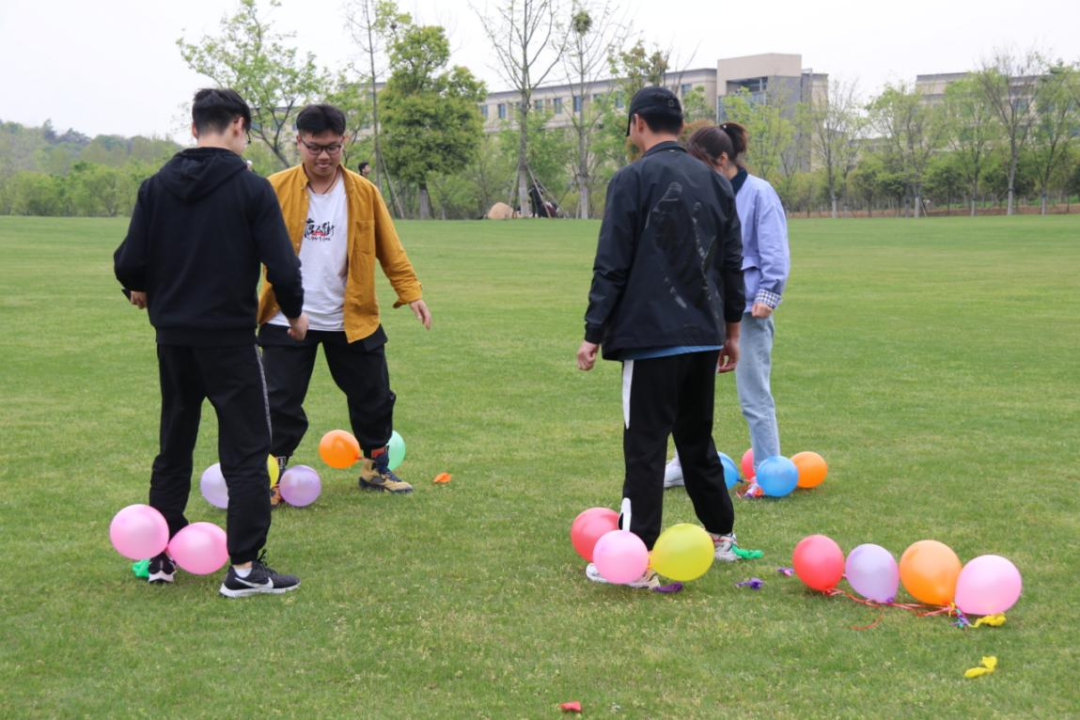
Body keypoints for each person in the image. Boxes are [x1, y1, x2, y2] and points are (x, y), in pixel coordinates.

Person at [114, 88, 308, 598]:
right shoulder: (251, 190)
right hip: (228, 341)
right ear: (238, 125)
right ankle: (244, 569)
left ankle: (161, 555)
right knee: (246, 452)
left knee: (175, 443)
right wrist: (294, 313)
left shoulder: (156, 186)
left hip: (173, 340)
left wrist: (138, 286)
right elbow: (282, 266)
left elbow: (129, 261)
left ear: (194, 127)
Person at [576, 87, 745, 588]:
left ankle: (636, 553)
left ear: (637, 123)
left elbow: (612, 261)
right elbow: (731, 264)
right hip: (703, 338)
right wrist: (731, 332)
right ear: (680, 124)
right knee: (696, 439)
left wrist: (592, 332)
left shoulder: (631, 179)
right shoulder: (716, 181)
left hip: (653, 340)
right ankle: (721, 534)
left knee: (645, 446)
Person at [258, 104, 431, 498]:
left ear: (345, 142)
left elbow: (390, 247)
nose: (324, 156)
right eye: (315, 147)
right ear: (298, 142)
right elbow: (244, 247)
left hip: (352, 316)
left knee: (374, 397)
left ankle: (376, 469)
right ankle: (270, 477)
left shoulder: (364, 192)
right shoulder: (273, 189)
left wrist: (411, 293)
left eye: (333, 147)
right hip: (286, 317)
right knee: (279, 403)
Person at [670, 124, 789, 495]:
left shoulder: (759, 193)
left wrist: (768, 295)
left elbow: (774, 249)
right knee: (687, 393)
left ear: (723, 159)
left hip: (749, 311)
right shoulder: (700, 192)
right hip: (702, 309)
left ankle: (767, 472)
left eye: (702, 162)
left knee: (754, 395)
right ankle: (681, 464)